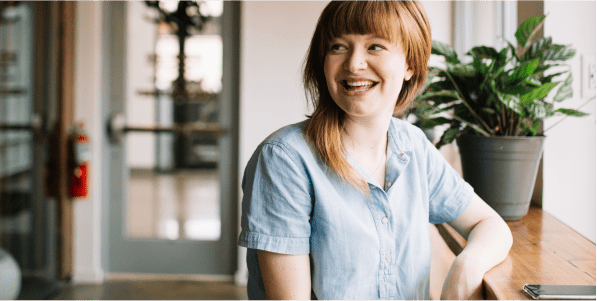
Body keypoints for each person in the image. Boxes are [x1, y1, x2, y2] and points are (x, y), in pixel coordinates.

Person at [238, 1, 513, 300]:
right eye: (338, 47)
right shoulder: (284, 159)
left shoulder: (414, 146)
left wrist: (465, 267)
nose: (354, 64)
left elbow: (489, 224)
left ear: (410, 64)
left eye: (375, 47)